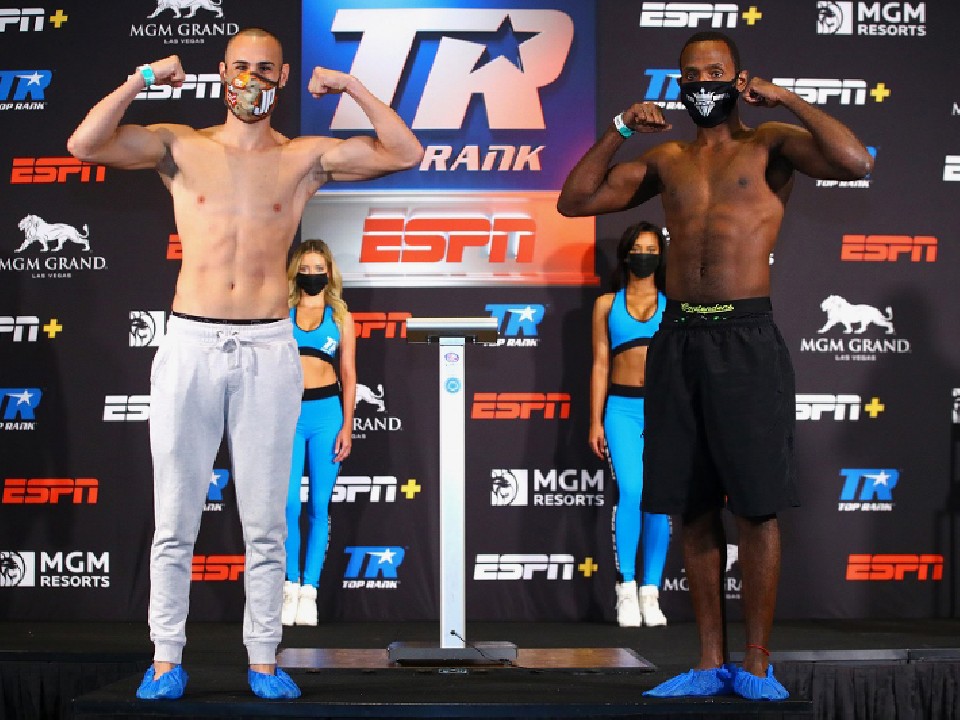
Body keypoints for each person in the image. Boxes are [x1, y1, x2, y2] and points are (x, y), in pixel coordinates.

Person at [67, 28, 422, 701]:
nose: (250, 80)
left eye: (264, 69)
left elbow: (406, 151)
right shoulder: (181, 146)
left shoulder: (303, 158)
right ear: (221, 72)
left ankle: (263, 658)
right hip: (191, 343)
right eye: (239, 68)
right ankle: (165, 660)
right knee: (174, 521)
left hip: (266, 346)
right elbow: (84, 144)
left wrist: (349, 86)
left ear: (283, 78)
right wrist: (145, 77)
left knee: (265, 522)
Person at [558, 31, 872, 701]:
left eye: (715, 72)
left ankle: (756, 664)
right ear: (678, 85)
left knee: (755, 508)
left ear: (738, 79)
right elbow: (575, 200)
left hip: (745, 338)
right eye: (691, 74)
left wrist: (786, 99)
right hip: (678, 338)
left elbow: (854, 161)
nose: (703, 83)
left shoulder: (770, 145)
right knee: (693, 507)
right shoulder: (666, 158)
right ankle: (707, 661)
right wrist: (619, 128)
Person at [589, 222, 671, 628]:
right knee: (633, 491)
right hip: (621, 409)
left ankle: (651, 593)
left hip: (664, 411)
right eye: (638, 248)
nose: (644, 255)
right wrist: (595, 420)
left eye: (652, 249)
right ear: (626, 254)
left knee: (659, 500)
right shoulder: (607, 304)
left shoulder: (674, 304)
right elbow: (600, 363)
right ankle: (626, 589)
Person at [282, 239, 356, 627]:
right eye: (305, 269)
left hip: (327, 415)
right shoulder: (282, 313)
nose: (312, 275)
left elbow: (349, 374)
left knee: (318, 507)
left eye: (318, 268)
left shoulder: (341, 317)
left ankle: (309, 591)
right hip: (288, 416)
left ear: (329, 271)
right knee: (288, 506)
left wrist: (347, 425)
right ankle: (289, 586)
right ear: (296, 272)